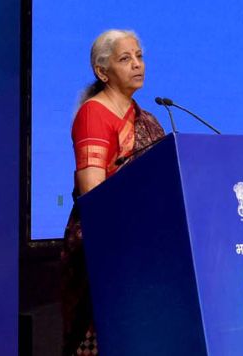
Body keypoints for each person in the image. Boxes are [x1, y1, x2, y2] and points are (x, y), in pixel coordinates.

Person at [60, 30, 166, 356]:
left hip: (146, 251)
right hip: (108, 250)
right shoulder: (95, 114)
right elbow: (94, 194)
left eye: (139, 56)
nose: (137, 64)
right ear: (102, 72)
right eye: (125, 58)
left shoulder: (145, 118)